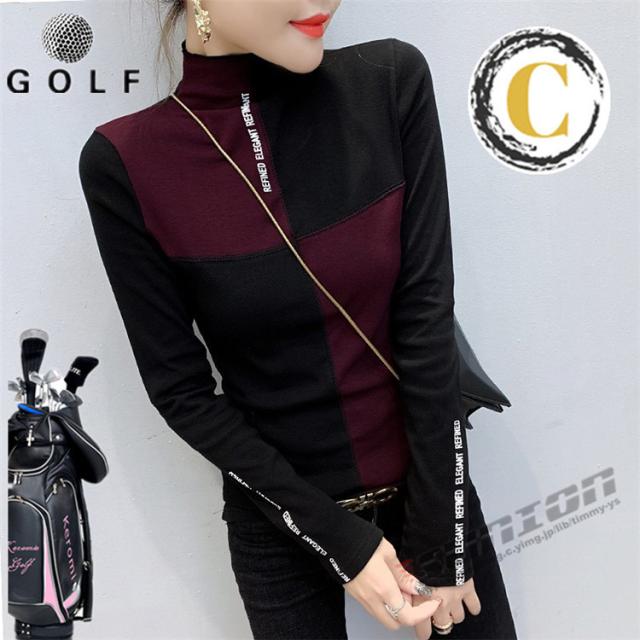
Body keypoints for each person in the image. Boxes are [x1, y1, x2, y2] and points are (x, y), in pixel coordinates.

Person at [78, 1, 518, 638]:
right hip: (278, 519)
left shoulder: (388, 82)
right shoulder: (126, 161)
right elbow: (182, 392)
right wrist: (343, 543)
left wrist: (442, 538)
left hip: (433, 496)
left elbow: (426, 317)